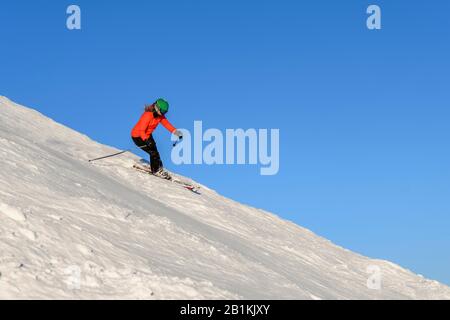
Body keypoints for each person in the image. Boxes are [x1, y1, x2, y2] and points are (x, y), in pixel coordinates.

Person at [131, 98, 182, 179]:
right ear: (156, 107)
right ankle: (156, 170)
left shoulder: (159, 116)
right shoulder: (147, 115)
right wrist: (146, 140)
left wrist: (176, 132)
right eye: (162, 111)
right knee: (153, 153)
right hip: (138, 137)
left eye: (165, 112)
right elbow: (141, 130)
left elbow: (167, 124)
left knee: (156, 151)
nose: (163, 114)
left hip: (147, 135)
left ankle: (159, 168)